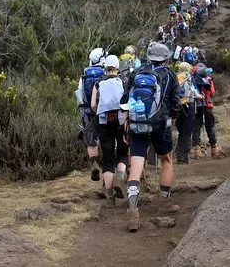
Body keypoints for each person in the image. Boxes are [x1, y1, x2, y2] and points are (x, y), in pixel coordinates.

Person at [121, 42, 181, 232]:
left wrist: (127, 122)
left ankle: (133, 209)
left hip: (138, 124)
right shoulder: (170, 75)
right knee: (166, 159)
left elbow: (124, 100)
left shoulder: (136, 72)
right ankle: (164, 200)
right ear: (165, 58)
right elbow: (175, 104)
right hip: (161, 125)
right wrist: (169, 117)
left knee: (136, 166)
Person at [90, 55, 128, 206]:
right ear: (118, 67)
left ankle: (110, 197)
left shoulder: (98, 83)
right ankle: (119, 177)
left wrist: (99, 112)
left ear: (105, 67)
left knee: (107, 158)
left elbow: (93, 105)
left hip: (104, 122)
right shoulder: (124, 81)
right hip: (120, 122)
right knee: (123, 153)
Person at [76, 48, 106, 181]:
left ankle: (94, 162)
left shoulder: (84, 74)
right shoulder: (106, 72)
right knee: (107, 140)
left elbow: (79, 93)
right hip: (104, 111)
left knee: (91, 141)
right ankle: (107, 167)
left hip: (88, 112)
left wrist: (83, 111)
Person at [174, 62, 202, 164]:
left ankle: (178, 155)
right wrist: (199, 96)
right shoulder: (189, 78)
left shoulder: (175, 77)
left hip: (177, 107)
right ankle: (184, 157)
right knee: (187, 132)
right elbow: (193, 91)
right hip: (188, 106)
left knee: (181, 132)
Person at [191, 65, 221, 158]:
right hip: (207, 106)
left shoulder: (193, 79)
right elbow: (212, 92)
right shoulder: (208, 80)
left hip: (197, 106)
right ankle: (214, 148)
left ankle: (196, 150)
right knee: (210, 127)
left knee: (196, 128)